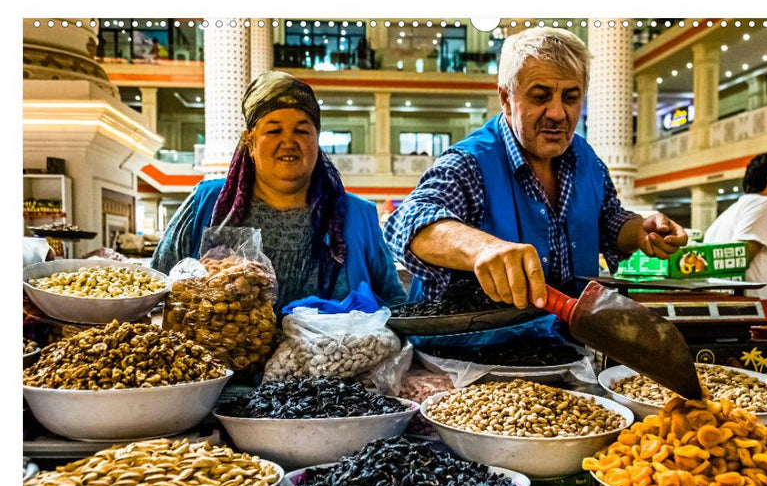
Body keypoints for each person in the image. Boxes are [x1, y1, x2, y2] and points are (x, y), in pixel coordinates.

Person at [383, 27, 687, 309]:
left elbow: (608, 218)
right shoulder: (471, 162)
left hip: (565, 346)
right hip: (467, 355)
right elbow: (407, 221)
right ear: (505, 98)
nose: (557, 113)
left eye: (571, 98)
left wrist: (639, 230)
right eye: (540, 96)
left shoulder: (587, 159)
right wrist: (481, 248)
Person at [152, 71, 405, 310]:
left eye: (302, 131)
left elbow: (394, 301)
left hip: (335, 356)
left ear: (316, 139)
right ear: (250, 141)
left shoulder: (357, 215)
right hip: (216, 356)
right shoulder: (207, 204)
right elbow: (155, 290)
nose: (288, 142)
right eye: (273, 130)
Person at [703, 153, 767, 314]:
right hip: (757, 316)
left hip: (736, 313)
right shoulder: (763, 204)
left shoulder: (728, 214)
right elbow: (739, 258)